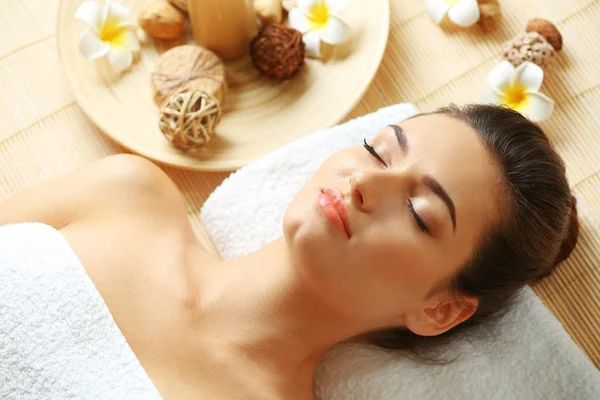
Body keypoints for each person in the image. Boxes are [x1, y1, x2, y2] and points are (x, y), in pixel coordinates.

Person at [0, 104, 578, 399]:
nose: (363, 183)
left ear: (439, 309)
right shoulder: (124, 194)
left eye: (419, 213)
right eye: (379, 153)